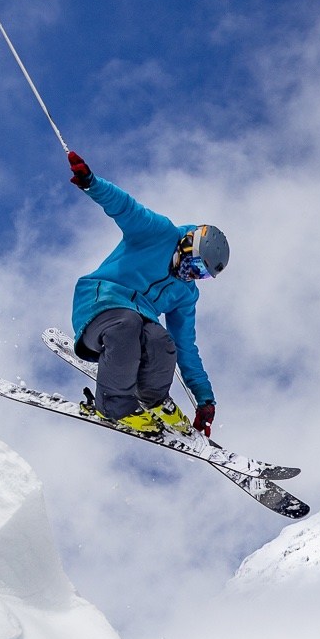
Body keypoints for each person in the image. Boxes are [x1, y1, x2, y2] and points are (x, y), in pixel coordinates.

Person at [65, 150, 226, 437]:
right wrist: (91, 182)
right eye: (194, 264)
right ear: (187, 245)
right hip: (100, 306)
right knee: (129, 323)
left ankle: (153, 400)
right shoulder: (159, 233)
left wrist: (205, 399)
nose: (190, 275)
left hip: (136, 322)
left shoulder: (185, 293)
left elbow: (186, 347)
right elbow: (125, 208)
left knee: (162, 340)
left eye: (200, 275)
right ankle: (112, 405)